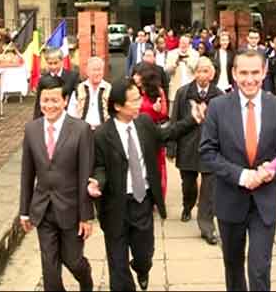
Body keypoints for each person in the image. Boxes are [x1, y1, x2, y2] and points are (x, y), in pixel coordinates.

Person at [87, 78, 203, 291]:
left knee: (144, 253)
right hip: (115, 205)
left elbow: (167, 133)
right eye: (133, 100)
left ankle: (142, 269)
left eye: (139, 98)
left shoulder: (144, 123)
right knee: (117, 264)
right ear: (118, 106)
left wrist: (192, 120)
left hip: (142, 202)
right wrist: (97, 183)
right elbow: (100, 167)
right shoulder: (102, 135)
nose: (140, 103)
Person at [199, 50, 276, 291]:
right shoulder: (218, 107)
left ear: (264, 72)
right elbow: (208, 153)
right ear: (233, 73)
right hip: (230, 200)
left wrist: (274, 170)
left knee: (260, 269)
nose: (249, 79)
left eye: (255, 73)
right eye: (243, 73)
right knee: (233, 266)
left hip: (265, 203)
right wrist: (241, 176)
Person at [19, 74, 95, 291]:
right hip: (43, 209)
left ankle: (86, 278)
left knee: (73, 261)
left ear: (64, 100)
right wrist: (24, 211)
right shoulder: (31, 129)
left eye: (54, 100)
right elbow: (27, 173)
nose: (49, 105)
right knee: (50, 271)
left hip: (71, 209)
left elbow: (85, 174)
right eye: (45, 100)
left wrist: (86, 215)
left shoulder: (80, 130)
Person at [168, 57, 223, 245]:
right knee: (188, 184)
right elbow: (174, 122)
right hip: (188, 146)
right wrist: (171, 148)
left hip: (210, 148)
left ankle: (207, 226)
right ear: (195, 73)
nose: (202, 75)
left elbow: (225, 125)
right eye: (199, 71)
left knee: (209, 189)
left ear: (212, 74)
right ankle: (187, 205)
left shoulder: (219, 95)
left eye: (206, 71)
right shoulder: (184, 93)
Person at [133, 65, 169, 199]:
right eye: (134, 74)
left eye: (138, 74)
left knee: (157, 166)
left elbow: (164, 114)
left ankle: (157, 196)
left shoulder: (158, 91)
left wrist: (157, 110)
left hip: (153, 134)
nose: (134, 77)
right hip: (136, 132)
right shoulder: (133, 91)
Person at [33, 48, 79, 119]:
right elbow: (38, 104)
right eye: (50, 63)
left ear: (62, 61)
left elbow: (78, 98)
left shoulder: (73, 77)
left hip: (68, 117)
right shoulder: (43, 80)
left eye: (55, 63)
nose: (53, 66)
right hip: (49, 116)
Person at [67, 57, 111, 130]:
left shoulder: (110, 88)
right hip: (82, 131)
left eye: (99, 70)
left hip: (104, 131)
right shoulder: (78, 89)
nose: (97, 73)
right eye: (94, 70)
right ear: (87, 72)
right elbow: (71, 113)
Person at [165, 34, 200, 108]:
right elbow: (167, 71)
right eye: (181, 43)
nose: (183, 45)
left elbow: (195, 68)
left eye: (185, 43)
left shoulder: (195, 54)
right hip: (175, 90)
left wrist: (186, 61)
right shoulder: (171, 53)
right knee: (174, 116)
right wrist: (175, 64)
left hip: (190, 90)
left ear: (189, 44)